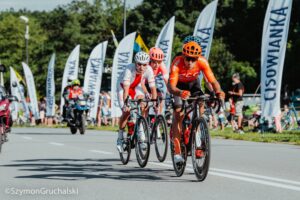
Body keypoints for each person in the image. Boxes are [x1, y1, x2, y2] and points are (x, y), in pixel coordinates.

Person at [168, 41, 225, 164]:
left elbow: (213, 81)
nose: (190, 62)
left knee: (201, 102)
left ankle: (198, 130)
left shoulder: (202, 62)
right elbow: (171, 87)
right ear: (183, 56)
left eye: (193, 59)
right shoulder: (177, 63)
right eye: (188, 58)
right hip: (178, 86)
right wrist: (179, 93)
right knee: (178, 114)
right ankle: (177, 151)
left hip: (193, 84)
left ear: (197, 58)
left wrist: (219, 92)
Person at [116, 51, 157, 153]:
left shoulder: (149, 70)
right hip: (123, 88)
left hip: (135, 87)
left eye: (144, 64)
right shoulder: (129, 69)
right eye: (139, 64)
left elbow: (153, 88)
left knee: (142, 103)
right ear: (135, 63)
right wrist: (126, 103)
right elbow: (126, 89)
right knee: (126, 111)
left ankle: (141, 131)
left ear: (148, 64)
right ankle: (120, 137)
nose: (141, 67)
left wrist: (154, 101)